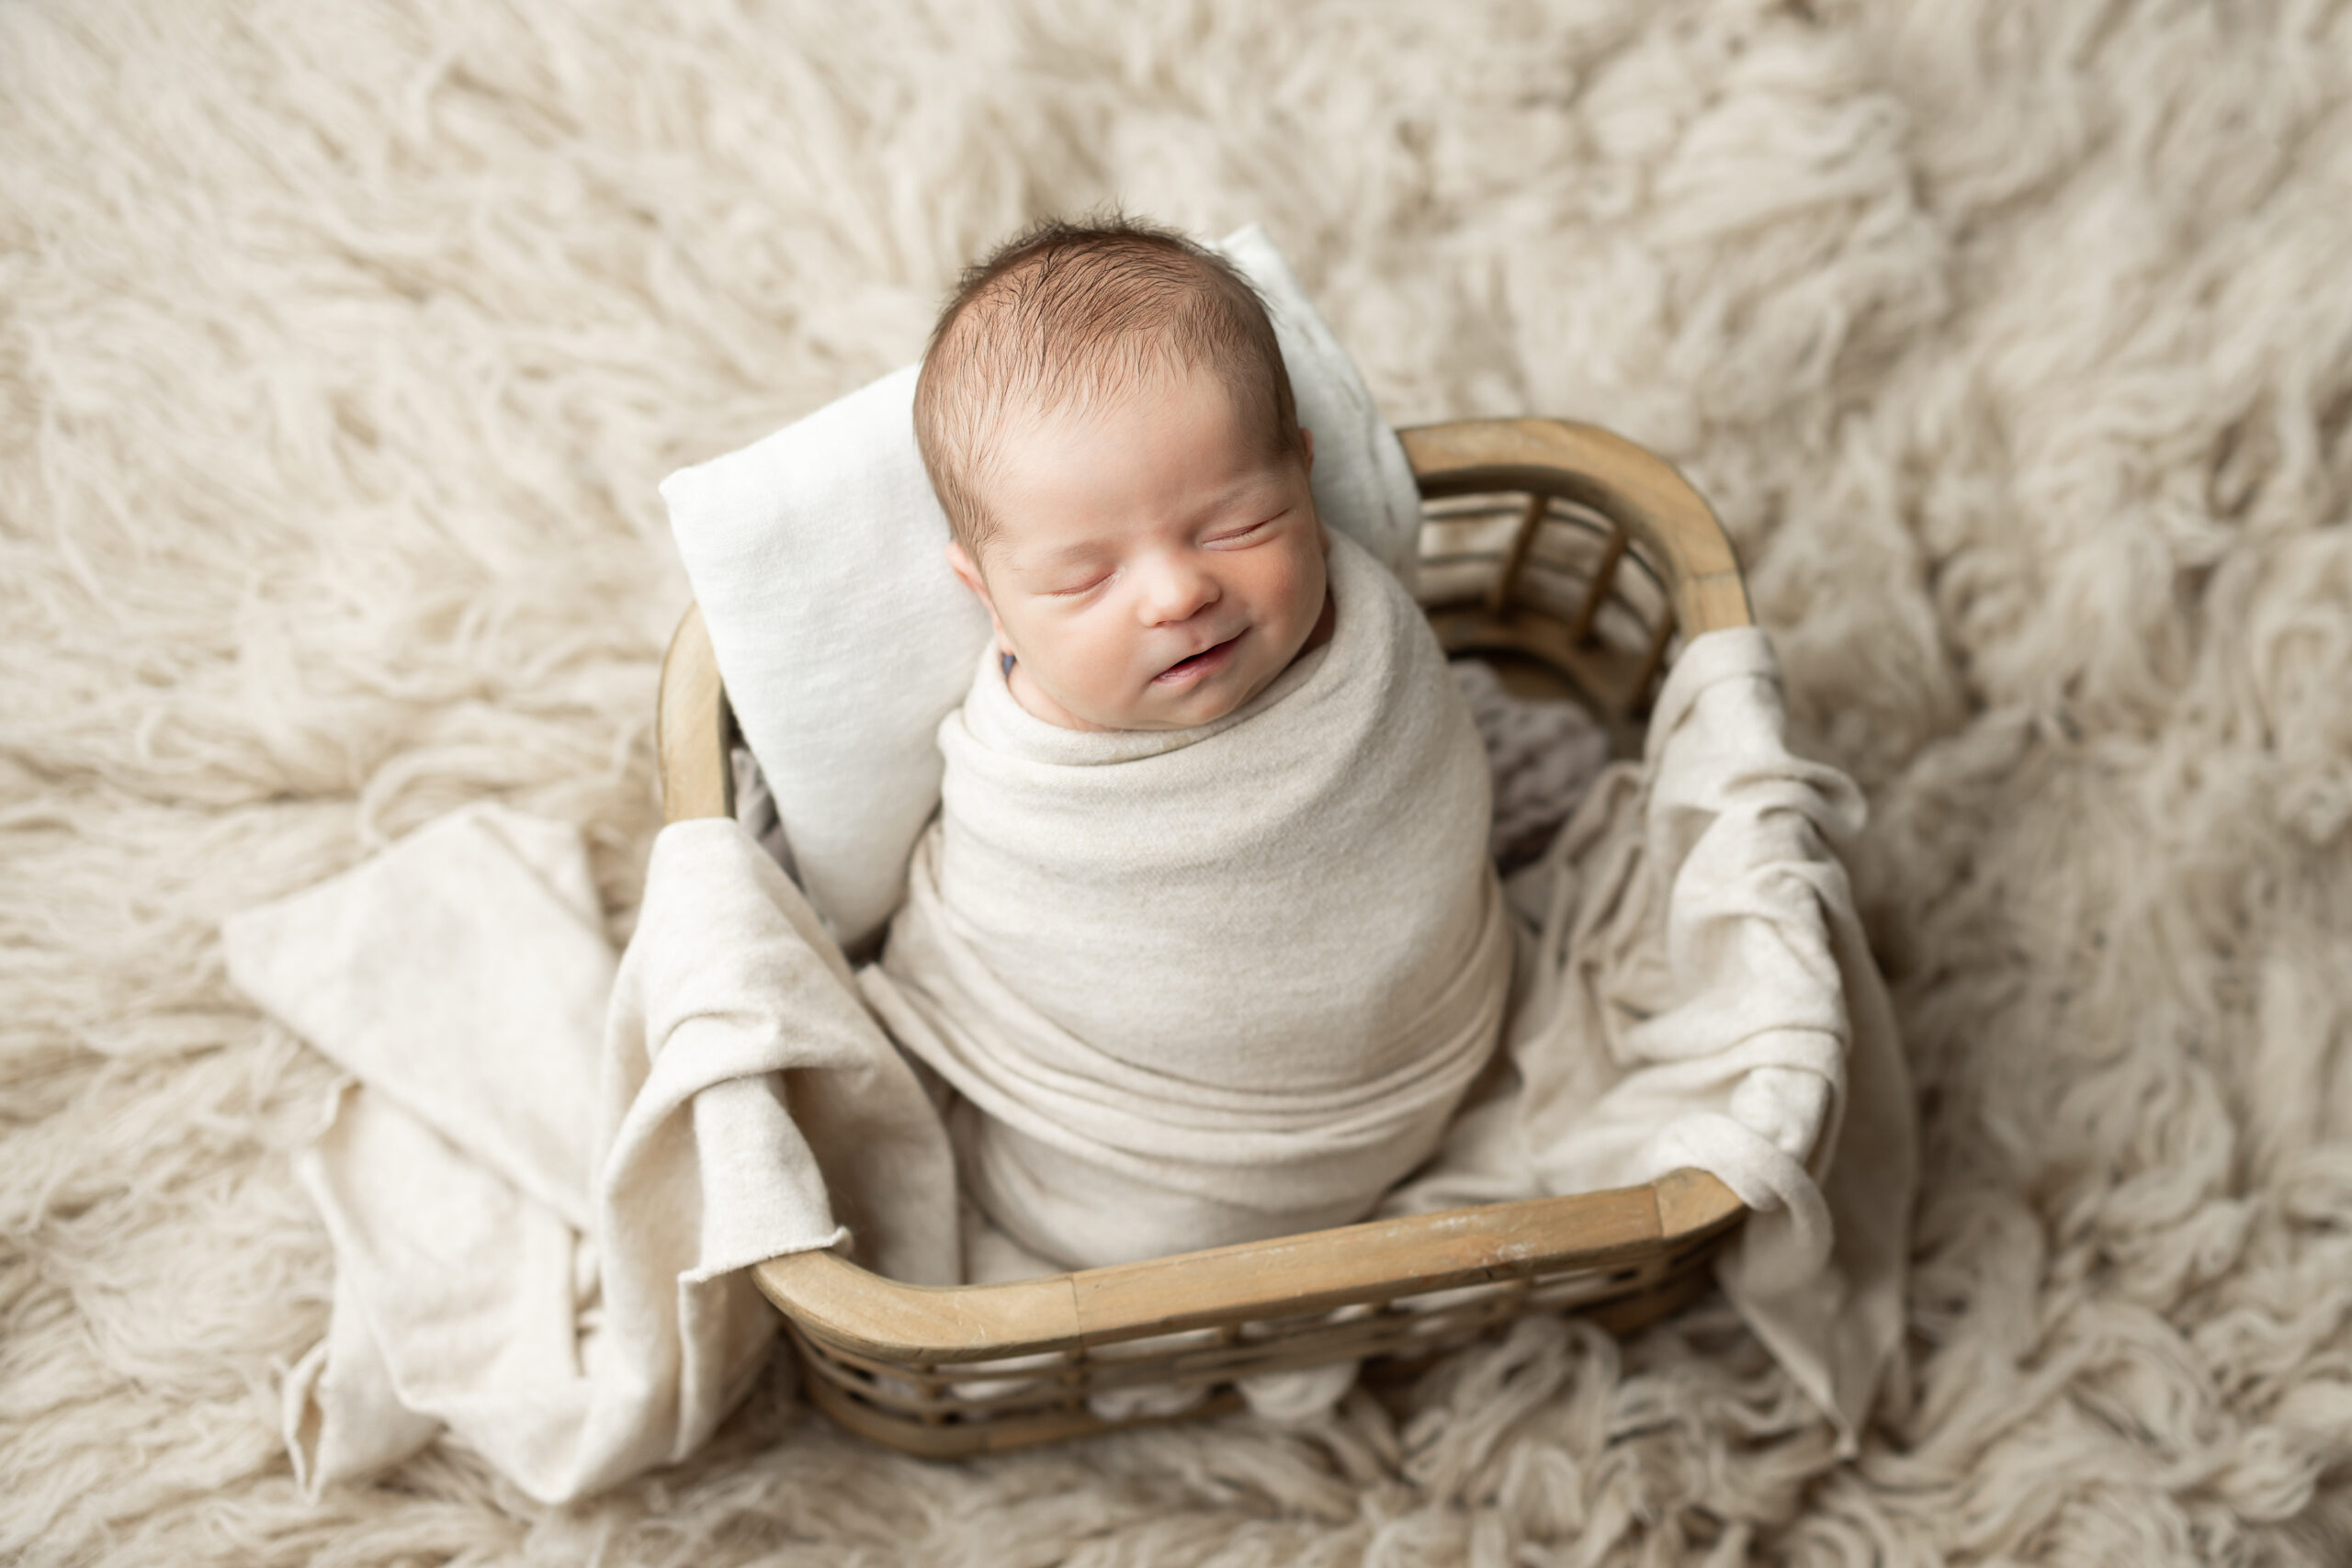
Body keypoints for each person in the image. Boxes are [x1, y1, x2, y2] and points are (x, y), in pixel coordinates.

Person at [857, 216, 1513, 1277]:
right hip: (1149, 1160)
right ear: (988, 598)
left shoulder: (1365, 641)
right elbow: (980, 951)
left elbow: (1427, 820)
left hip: (1418, 1073)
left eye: (1236, 525)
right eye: (1082, 580)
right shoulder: (1027, 777)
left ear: (1303, 476)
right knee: (1130, 1235)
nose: (1176, 594)